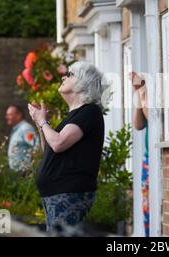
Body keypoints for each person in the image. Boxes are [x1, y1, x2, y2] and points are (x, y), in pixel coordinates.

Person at [28, 61, 107, 233]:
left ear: (83, 83)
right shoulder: (74, 115)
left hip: (69, 194)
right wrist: (41, 123)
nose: (64, 76)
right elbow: (49, 148)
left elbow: (58, 143)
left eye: (70, 74)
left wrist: (42, 122)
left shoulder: (89, 112)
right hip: (57, 195)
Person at [129, 71, 150, 237]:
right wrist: (138, 94)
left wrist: (143, 93)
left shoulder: (153, 92)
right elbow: (138, 124)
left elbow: (155, 120)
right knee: (147, 211)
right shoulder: (144, 93)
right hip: (147, 159)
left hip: (153, 159)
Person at [5, 105, 39, 172]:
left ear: (19, 115)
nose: (6, 117)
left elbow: (36, 145)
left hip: (25, 173)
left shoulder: (25, 128)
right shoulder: (16, 129)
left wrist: (31, 163)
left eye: (9, 115)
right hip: (18, 173)